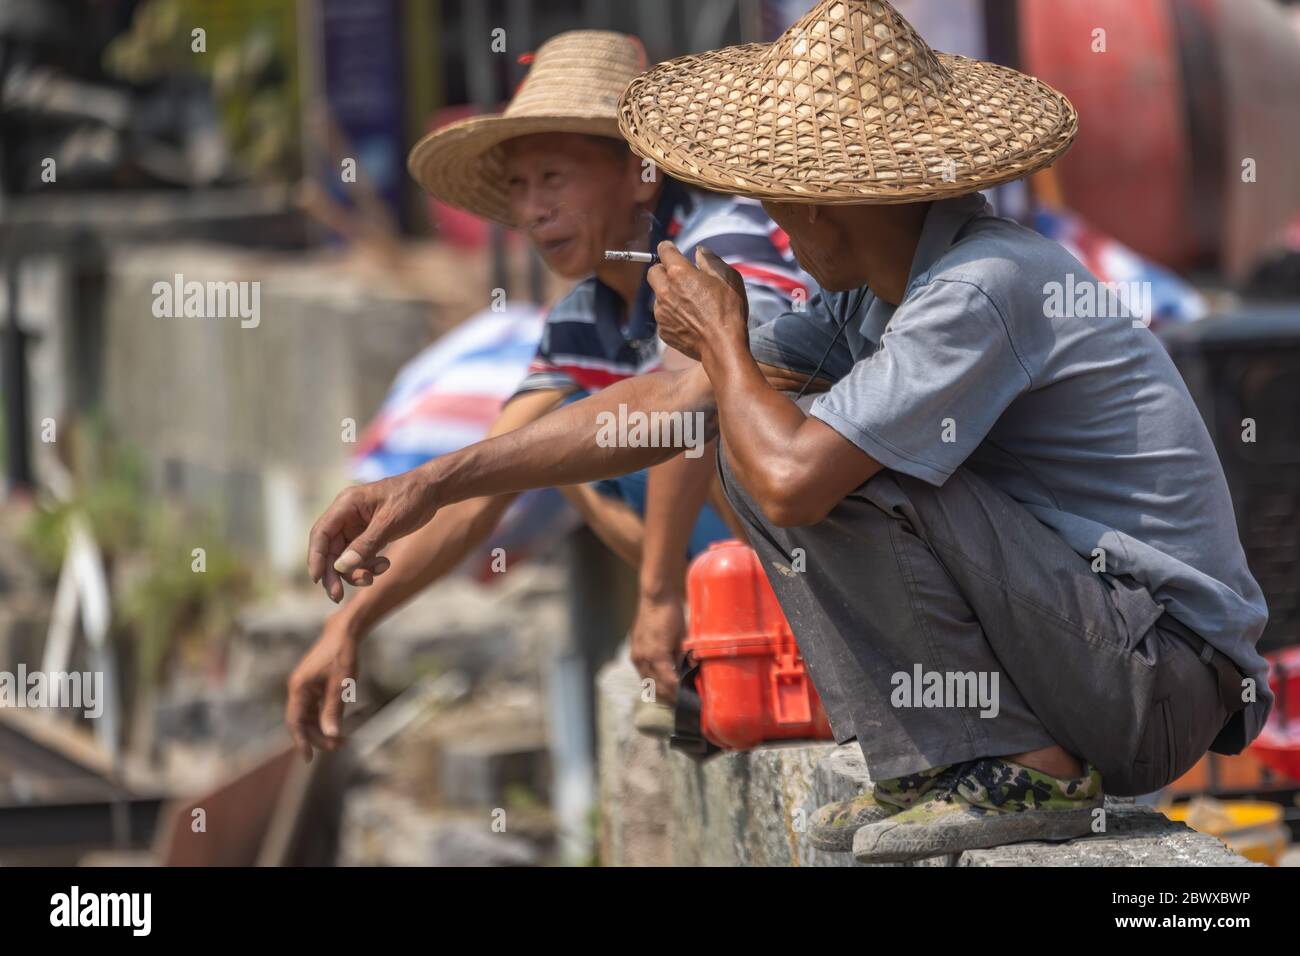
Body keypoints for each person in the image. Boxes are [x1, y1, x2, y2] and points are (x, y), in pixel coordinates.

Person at [304, 0, 1270, 863]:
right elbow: (662, 405)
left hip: (1156, 674)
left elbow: (789, 477)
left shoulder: (984, 287)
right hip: (1098, 654)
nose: (769, 222)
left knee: (791, 449)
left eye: (780, 202)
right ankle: (942, 757)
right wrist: (431, 481)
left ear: (822, 204)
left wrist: (724, 341)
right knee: (748, 423)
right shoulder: (867, 298)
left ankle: (1027, 767)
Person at [286, 31, 805, 760]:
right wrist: (347, 626)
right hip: (738, 561)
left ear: (643, 174)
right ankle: (715, 649)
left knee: (660, 428)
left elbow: (700, 403)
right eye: (520, 187)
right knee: (551, 454)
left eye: (554, 178)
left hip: (828, 539)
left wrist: (655, 597)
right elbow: (475, 493)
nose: (532, 211)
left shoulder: (723, 240)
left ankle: (758, 636)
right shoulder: (582, 316)